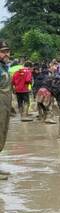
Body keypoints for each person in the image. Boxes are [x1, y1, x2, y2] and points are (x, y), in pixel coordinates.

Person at [0, 41, 12, 180]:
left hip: (5, 106)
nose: (6, 54)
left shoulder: (4, 67)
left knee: (2, 135)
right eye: (3, 51)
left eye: (7, 51)